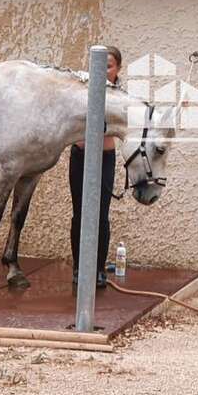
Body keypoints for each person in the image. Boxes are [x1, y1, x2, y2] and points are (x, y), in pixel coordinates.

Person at [69, 45, 122, 288]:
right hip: (80, 154)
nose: (103, 71)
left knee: (101, 214)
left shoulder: (120, 96)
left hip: (105, 157)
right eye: (99, 67)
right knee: (80, 212)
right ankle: (79, 268)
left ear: (118, 69)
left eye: (108, 67)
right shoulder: (83, 89)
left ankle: (99, 269)